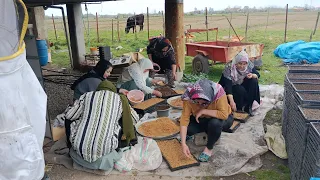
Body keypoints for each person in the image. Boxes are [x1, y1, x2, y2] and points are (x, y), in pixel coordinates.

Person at [64, 80, 139, 171]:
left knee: (74, 121)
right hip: (106, 149)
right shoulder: (120, 99)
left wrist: (72, 106)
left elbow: (69, 115)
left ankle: (79, 149)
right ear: (113, 90)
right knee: (121, 122)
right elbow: (134, 119)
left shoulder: (87, 96)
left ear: (98, 90)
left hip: (78, 147)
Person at [179, 79, 233, 162]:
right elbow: (184, 120)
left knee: (215, 124)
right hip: (201, 118)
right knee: (188, 128)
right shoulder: (189, 97)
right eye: (197, 102)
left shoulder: (218, 92)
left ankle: (209, 148)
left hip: (222, 119)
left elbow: (224, 115)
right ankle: (210, 132)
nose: (200, 105)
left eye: (204, 103)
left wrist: (204, 111)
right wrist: (183, 144)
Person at [219, 50, 260, 116]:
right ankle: (239, 107)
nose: (242, 66)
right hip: (231, 89)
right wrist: (232, 102)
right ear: (236, 63)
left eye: (244, 64)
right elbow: (228, 87)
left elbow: (257, 74)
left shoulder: (249, 65)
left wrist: (252, 75)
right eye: (240, 64)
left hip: (241, 85)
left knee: (253, 81)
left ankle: (249, 106)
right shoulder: (229, 68)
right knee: (239, 89)